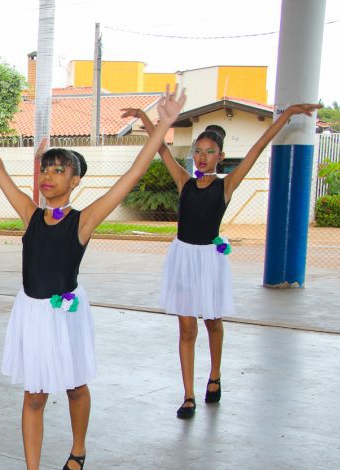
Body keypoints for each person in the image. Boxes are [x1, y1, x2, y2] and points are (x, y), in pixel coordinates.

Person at [0, 85, 185, 470]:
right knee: (34, 396)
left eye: (58, 170)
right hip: (32, 313)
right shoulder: (28, 213)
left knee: (74, 387)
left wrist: (162, 125)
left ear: (75, 180)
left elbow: (130, 176)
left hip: (67, 313)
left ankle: (78, 450)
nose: (48, 176)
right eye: (45, 169)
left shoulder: (84, 219)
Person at [122, 101, 321, 419]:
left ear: (221, 157)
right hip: (183, 258)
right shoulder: (184, 181)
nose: (202, 157)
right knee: (186, 329)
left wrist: (285, 116)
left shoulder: (226, 184)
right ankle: (188, 395)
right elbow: (159, 147)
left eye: (209, 151)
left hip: (209, 261)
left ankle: (214, 375)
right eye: (198, 151)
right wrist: (144, 117)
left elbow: (258, 147)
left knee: (212, 322)